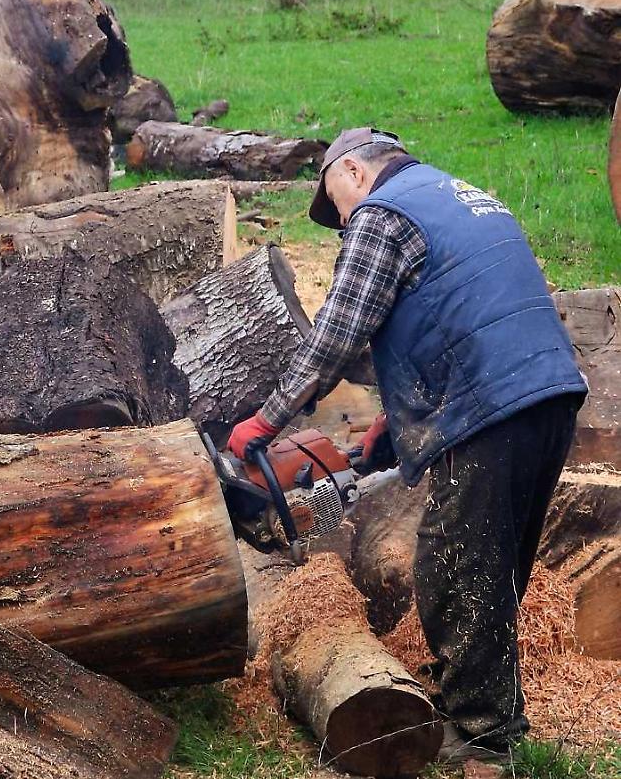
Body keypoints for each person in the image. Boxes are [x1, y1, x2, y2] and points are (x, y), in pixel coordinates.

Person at [228, 128, 587, 762]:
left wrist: (267, 420)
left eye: (337, 204)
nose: (343, 223)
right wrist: (394, 425)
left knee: (454, 569)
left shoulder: (382, 212)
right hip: (550, 391)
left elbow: (338, 333)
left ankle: (484, 744)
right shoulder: (463, 197)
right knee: (493, 568)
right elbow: (467, 313)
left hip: (493, 405)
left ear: (358, 175)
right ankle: (489, 713)